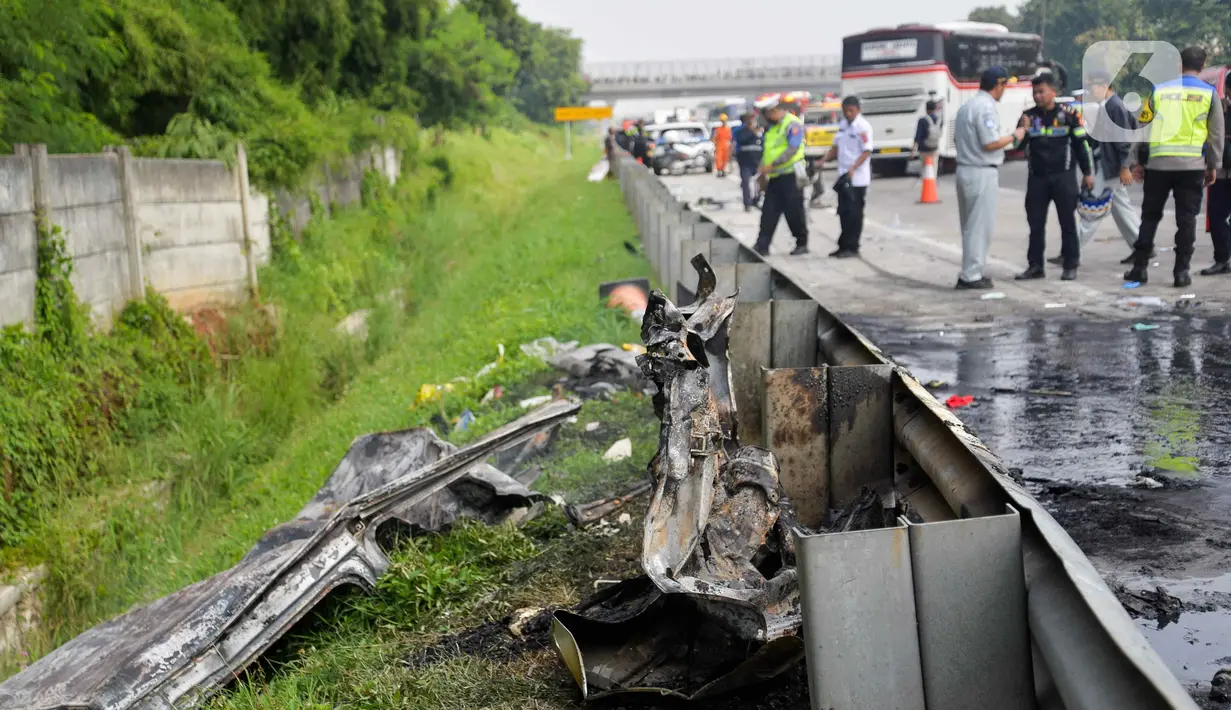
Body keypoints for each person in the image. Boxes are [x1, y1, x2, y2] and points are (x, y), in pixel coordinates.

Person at [1126, 46, 1225, 288]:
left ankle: (1139, 269)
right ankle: (1181, 273)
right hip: (1191, 166)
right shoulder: (1210, 93)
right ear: (1202, 67)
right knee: (1187, 220)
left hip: (1158, 165)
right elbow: (1216, 135)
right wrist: (1213, 166)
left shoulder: (1159, 91)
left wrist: (1136, 162)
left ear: (1180, 64)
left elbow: (1143, 127)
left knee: (1149, 217)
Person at [1012, 73, 1094, 281]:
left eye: (1041, 92)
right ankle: (1035, 266)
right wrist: (1024, 129)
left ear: (1053, 92)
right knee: (1035, 224)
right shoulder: (1028, 116)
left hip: (1063, 177)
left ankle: (1070, 264)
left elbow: (1081, 145)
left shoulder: (1069, 115)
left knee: (1067, 222)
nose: (1037, 96)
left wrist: (1087, 173)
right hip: (1037, 178)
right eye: (1034, 92)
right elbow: (1017, 147)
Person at [953, 67, 1027, 289]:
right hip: (981, 171)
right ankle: (971, 275)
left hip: (965, 168)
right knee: (979, 227)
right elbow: (990, 142)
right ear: (998, 84)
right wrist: (1016, 135)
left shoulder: (966, 107)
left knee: (969, 226)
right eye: (1004, 85)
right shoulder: (985, 108)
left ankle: (970, 271)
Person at [1072, 70, 1142, 263]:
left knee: (1092, 208)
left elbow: (1125, 140)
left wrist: (1124, 166)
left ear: (1104, 86)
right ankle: (1142, 246)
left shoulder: (1115, 107)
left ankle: (1072, 250)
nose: (1090, 91)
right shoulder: (1108, 106)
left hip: (1112, 166)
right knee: (1121, 209)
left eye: (1092, 86)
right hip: (1108, 164)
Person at [753, 95, 809, 256]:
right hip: (776, 177)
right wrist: (761, 170)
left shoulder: (792, 124)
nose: (765, 118)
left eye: (766, 114)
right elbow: (768, 152)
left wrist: (774, 164)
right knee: (769, 211)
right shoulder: (772, 129)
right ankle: (762, 245)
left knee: (794, 212)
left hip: (791, 175)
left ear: (774, 111)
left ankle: (802, 242)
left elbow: (793, 148)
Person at [820, 96, 874, 257]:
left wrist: (853, 168)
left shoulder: (863, 127)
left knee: (854, 213)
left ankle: (853, 246)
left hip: (857, 179)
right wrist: (823, 160)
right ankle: (843, 245)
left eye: (851, 111)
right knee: (843, 212)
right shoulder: (843, 125)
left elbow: (867, 151)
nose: (848, 114)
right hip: (843, 176)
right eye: (845, 111)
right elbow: (836, 147)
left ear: (858, 110)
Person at [1202, 71, 1231, 276]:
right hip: (1221, 171)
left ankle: (1222, 258)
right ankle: (1222, 258)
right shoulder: (1221, 109)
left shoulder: (1221, 109)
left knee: (1217, 215)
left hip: (1220, 171)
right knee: (1217, 216)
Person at [734, 110, 764, 212]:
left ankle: (757, 200)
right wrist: (752, 132)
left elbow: (764, 143)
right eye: (749, 118)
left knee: (760, 183)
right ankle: (747, 204)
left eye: (753, 118)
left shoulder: (760, 130)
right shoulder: (740, 131)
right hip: (745, 162)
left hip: (758, 162)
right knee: (746, 182)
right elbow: (741, 139)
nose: (751, 120)